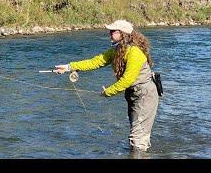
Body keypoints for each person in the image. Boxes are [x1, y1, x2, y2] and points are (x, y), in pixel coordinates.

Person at [54, 19, 159, 152]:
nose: (109, 34)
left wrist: (108, 92)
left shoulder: (135, 52)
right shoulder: (118, 50)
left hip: (145, 95)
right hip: (133, 94)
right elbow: (96, 61)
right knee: (137, 135)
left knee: (137, 139)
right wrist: (69, 67)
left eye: (112, 31)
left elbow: (127, 79)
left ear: (123, 33)